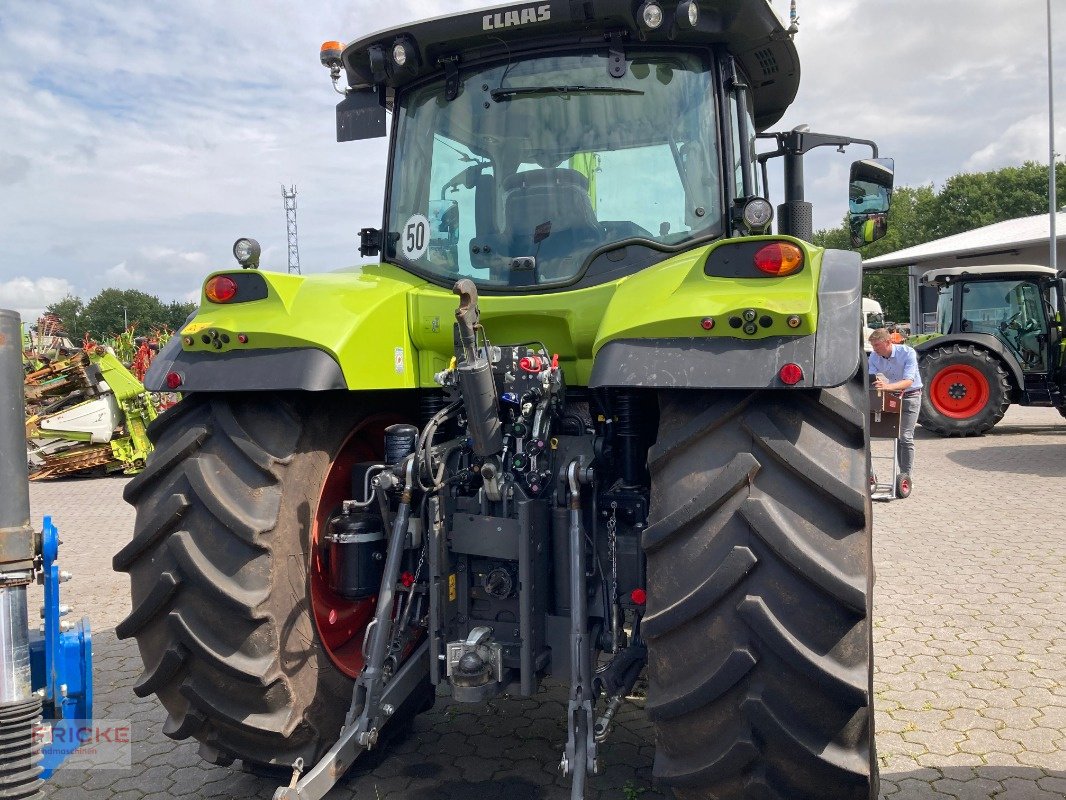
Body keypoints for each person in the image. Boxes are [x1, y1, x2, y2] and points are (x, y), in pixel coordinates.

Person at [868, 327, 922, 489]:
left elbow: (908, 381)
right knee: (882, 434)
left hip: (911, 396)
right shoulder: (874, 357)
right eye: (873, 346)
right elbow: (871, 378)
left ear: (888, 342)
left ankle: (906, 476)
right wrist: (875, 384)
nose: (874, 349)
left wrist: (887, 386)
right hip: (891, 395)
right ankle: (870, 476)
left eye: (877, 345)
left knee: (905, 437)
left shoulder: (908, 353)